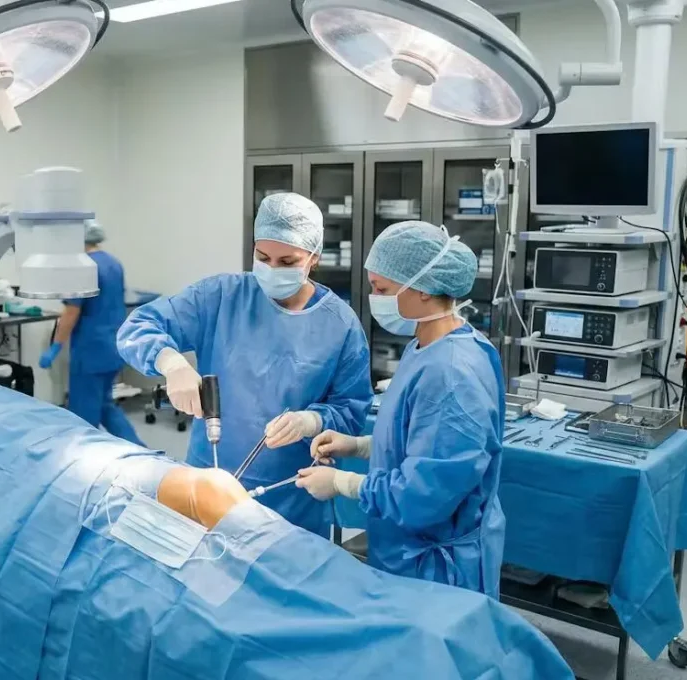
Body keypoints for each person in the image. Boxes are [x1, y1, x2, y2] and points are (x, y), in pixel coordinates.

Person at [117, 192, 372, 536]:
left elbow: (351, 408)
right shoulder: (221, 297)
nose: (271, 269)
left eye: (287, 261)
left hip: (291, 494)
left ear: (314, 258)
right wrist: (171, 362)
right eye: (262, 256)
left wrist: (311, 420)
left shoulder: (339, 324)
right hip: (210, 480)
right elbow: (138, 327)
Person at [295, 221, 506, 597]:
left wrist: (342, 483)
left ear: (423, 289)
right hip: (404, 548)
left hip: (437, 569)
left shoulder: (452, 373)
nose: (374, 299)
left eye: (382, 289)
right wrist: (357, 446)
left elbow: (424, 494)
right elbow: (423, 441)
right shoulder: (424, 346)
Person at [39, 220, 144, 446]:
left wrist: (55, 346)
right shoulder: (113, 263)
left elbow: (71, 313)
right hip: (113, 346)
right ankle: (141, 450)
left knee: (84, 414)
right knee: (106, 405)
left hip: (91, 351)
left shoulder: (82, 267)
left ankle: (81, 461)